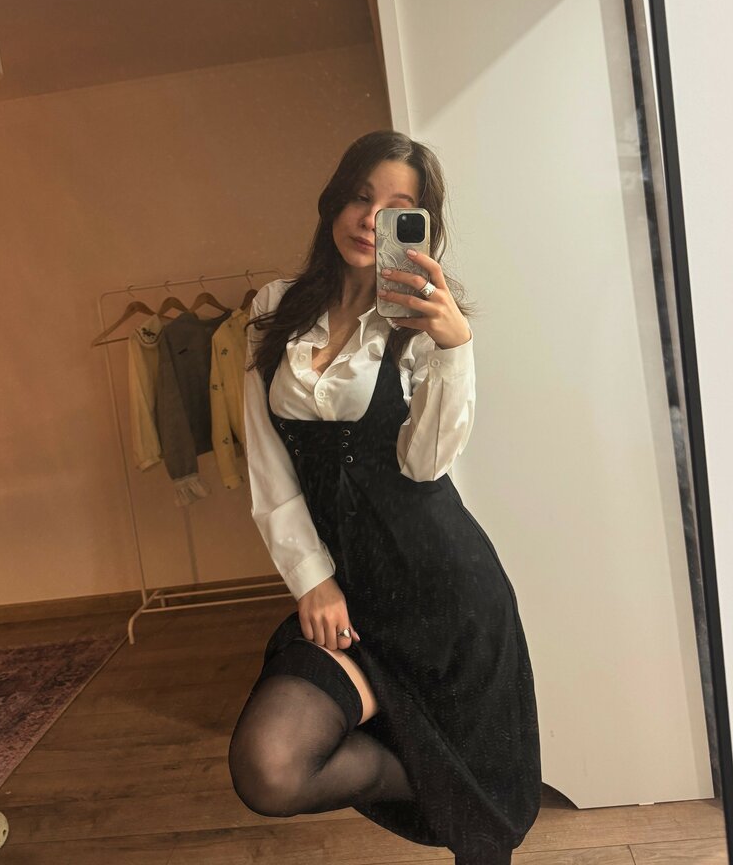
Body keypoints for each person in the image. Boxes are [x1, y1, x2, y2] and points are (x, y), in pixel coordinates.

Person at [228, 130, 541, 865]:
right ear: (333, 201)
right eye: (360, 196)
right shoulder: (272, 309)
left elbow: (426, 465)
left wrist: (454, 348)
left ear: (422, 226)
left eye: (398, 208)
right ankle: (455, 787)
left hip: (446, 595)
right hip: (348, 598)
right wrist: (312, 578)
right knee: (269, 766)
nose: (371, 219)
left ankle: (465, 798)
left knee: (478, 837)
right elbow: (267, 464)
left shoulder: (423, 322)